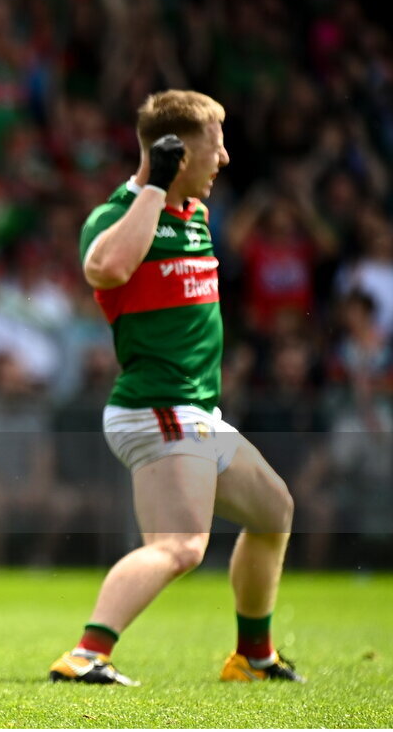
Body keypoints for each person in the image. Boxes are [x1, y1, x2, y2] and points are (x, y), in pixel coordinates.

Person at [48, 90, 302, 686]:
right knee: (182, 547)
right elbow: (105, 270)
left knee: (273, 511)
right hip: (156, 408)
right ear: (177, 153)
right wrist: (154, 187)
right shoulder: (118, 214)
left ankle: (254, 657)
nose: (226, 158)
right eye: (215, 146)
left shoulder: (194, 214)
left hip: (194, 408)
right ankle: (87, 653)